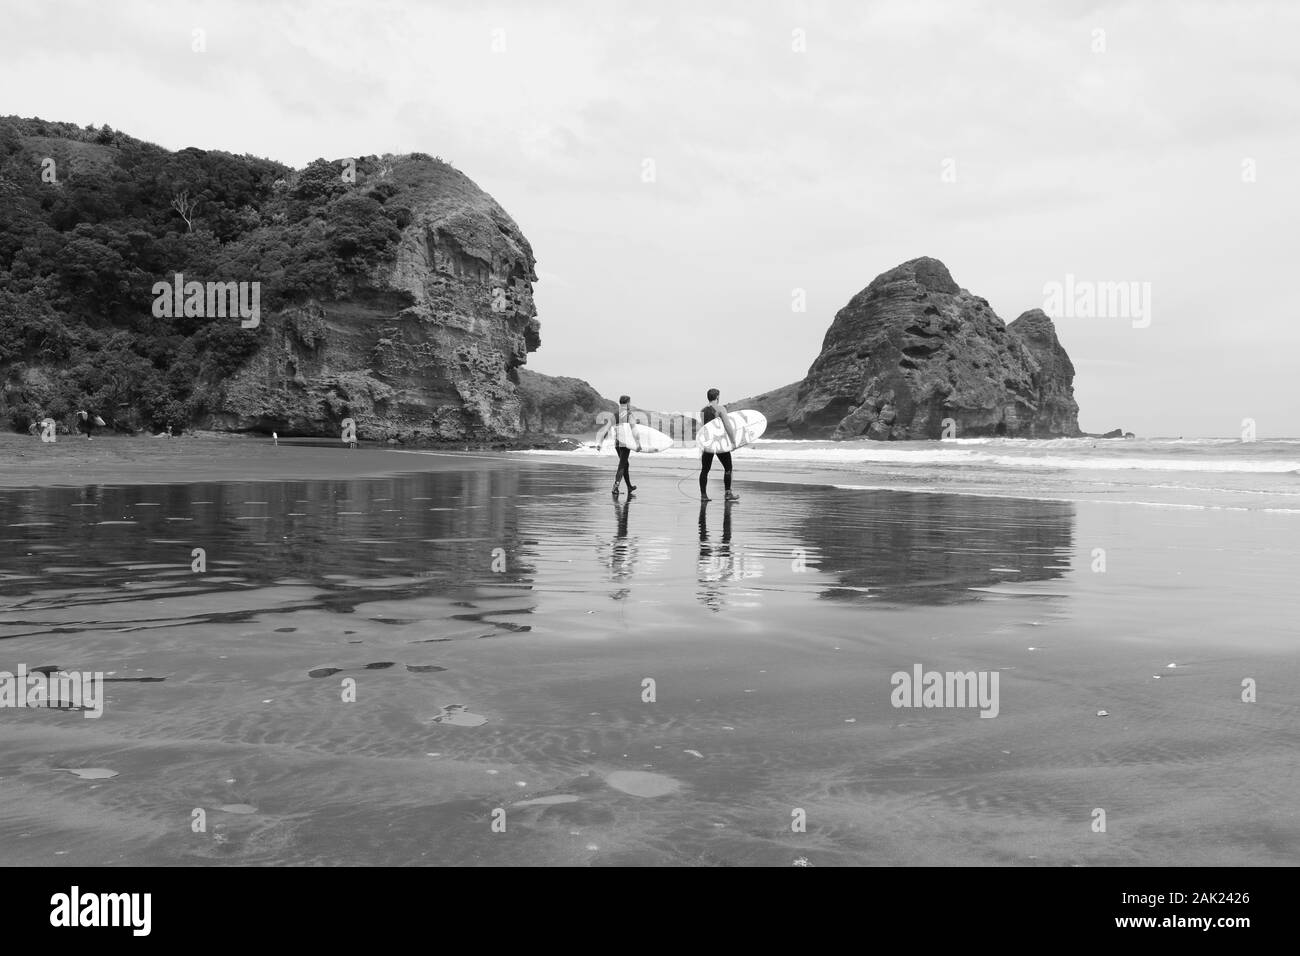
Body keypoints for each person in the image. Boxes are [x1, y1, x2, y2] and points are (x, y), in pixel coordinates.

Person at [699, 388, 740, 501]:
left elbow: (704, 429)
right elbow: (728, 426)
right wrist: (733, 441)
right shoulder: (720, 409)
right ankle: (728, 494)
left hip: (708, 444)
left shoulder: (702, 410)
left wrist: (703, 446)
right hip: (719, 443)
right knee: (728, 468)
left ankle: (703, 495)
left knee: (705, 470)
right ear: (717, 397)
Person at [610, 395, 641, 497]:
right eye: (630, 402)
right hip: (625, 444)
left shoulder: (615, 414)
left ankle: (629, 487)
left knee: (625, 464)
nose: (630, 404)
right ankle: (616, 485)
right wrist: (638, 444)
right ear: (627, 403)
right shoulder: (628, 414)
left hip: (617, 443)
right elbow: (633, 430)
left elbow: (613, 427)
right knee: (622, 465)